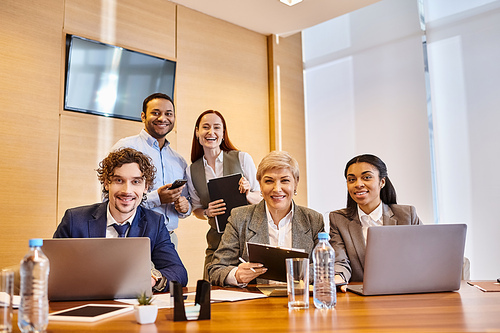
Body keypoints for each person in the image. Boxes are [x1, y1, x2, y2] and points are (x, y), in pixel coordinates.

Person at [53, 148, 188, 291]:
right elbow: (51, 269)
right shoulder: (75, 220)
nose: (127, 191)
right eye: (119, 180)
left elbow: (178, 272)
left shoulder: (155, 223)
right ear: (106, 183)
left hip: (132, 308)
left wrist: (153, 279)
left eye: (136, 181)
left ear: (146, 187)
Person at [208, 150, 324, 287]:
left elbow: (324, 268)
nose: (277, 189)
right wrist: (236, 275)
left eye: (285, 180)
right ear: (260, 185)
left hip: (299, 301)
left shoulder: (313, 220)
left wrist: (298, 272)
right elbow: (215, 270)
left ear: (296, 183)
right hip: (256, 304)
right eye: (269, 181)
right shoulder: (239, 218)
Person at [186, 110, 261, 279]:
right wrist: (206, 212)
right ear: (197, 131)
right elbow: (196, 209)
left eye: (216, 127)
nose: (211, 132)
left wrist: (248, 194)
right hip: (216, 243)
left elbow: (261, 197)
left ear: (223, 133)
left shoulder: (242, 158)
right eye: (205, 127)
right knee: (211, 291)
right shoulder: (191, 171)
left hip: (246, 241)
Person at [111, 93, 191, 247]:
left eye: (168, 114)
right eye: (155, 113)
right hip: (133, 236)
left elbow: (186, 204)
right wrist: (157, 198)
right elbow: (108, 198)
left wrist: (184, 207)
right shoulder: (125, 147)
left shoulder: (179, 161)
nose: (162, 118)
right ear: (143, 116)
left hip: (168, 239)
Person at [329, 154, 422, 285]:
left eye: (366, 177)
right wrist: (337, 279)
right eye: (351, 180)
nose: (358, 184)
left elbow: (423, 256)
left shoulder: (407, 215)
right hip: (360, 295)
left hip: (404, 291)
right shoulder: (338, 219)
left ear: (382, 182)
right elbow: (340, 261)